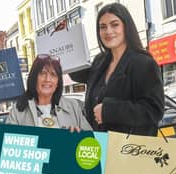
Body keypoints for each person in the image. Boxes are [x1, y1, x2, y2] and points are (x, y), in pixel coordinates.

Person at [70, 3, 164, 136]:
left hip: (129, 151)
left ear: (126, 26)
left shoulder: (143, 63)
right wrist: (63, 37)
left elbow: (154, 110)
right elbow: (77, 72)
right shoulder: (100, 61)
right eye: (103, 27)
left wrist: (108, 111)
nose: (108, 31)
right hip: (100, 146)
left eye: (114, 24)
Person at [6, 54, 92, 131]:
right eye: (43, 73)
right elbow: (8, 146)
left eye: (53, 74)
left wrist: (80, 136)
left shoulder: (73, 107)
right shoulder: (17, 111)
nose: (47, 79)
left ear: (58, 82)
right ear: (34, 78)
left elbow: (92, 143)